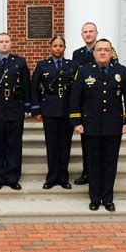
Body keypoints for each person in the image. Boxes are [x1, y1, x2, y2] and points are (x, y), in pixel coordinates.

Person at [70, 38, 126, 212]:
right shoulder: (84, 71)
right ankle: (94, 198)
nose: (102, 52)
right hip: (90, 125)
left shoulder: (121, 71)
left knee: (110, 164)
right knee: (93, 164)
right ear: (94, 52)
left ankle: (107, 198)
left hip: (113, 125)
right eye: (99, 49)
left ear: (111, 52)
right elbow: (75, 98)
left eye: (106, 49)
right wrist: (77, 122)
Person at [0, 33, 30, 191]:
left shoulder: (20, 62)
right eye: (1, 41)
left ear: (11, 43)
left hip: (15, 108)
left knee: (14, 145)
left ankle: (13, 178)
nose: (4, 44)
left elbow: (26, 86)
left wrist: (28, 107)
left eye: (6, 41)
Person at [31, 36, 79, 190]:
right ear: (50, 47)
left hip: (67, 109)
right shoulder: (42, 65)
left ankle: (63, 177)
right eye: (55, 45)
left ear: (65, 48)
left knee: (65, 145)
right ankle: (52, 177)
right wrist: (36, 109)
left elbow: (78, 91)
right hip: (49, 109)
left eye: (61, 46)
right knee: (51, 144)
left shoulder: (73, 65)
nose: (58, 48)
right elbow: (34, 88)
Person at [72, 22, 99, 185]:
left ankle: (98, 173)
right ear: (82, 35)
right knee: (86, 143)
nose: (88, 34)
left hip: (100, 102)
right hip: (85, 103)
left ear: (96, 33)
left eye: (91, 31)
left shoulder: (105, 49)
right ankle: (87, 172)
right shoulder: (77, 54)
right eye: (85, 32)